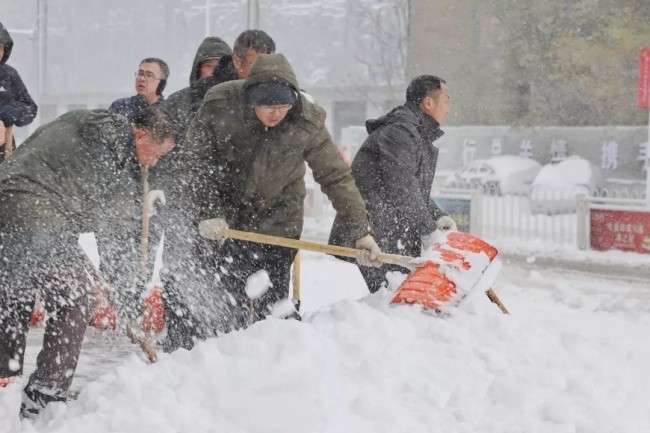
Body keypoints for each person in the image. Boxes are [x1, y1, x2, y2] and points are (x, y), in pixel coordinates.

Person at [161, 53, 381, 352]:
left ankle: (274, 369)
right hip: (228, 221)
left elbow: (336, 177)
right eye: (268, 107)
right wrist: (209, 211)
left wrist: (360, 231)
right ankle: (227, 367)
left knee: (273, 307)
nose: (276, 114)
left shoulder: (307, 121)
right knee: (230, 302)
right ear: (251, 100)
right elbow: (194, 162)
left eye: (283, 106)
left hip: (280, 220)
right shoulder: (220, 104)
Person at [0, 107, 175, 419]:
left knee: (14, 297)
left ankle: (4, 380)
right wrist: (125, 297)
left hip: (6, 198)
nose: (154, 162)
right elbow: (111, 234)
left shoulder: (82, 118)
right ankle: (44, 396)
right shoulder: (113, 161)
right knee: (73, 301)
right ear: (140, 135)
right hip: (37, 214)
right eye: (156, 153)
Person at [329, 75, 457, 293]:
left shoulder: (413, 132)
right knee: (391, 300)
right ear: (428, 103)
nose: (449, 109)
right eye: (446, 101)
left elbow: (413, 188)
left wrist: (436, 215)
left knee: (396, 302)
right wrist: (428, 230)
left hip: (390, 230)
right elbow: (402, 186)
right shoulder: (400, 132)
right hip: (376, 233)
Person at [168, 29, 276, 142]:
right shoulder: (209, 95)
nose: (265, 70)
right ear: (237, 62)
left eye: (271, 64)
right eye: (258, 64)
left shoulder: (277, 95)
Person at [164, 36, 232, 141]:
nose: (214, 71)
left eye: (220, 66)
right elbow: (165, 141)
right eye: (209, 65)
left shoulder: (238, 98)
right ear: (198, 69)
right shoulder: (177, 101)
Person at [0, 22, 38, 163]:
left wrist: (15, 111)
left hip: (4, 155)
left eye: (0, 48)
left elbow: (29, 107)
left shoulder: (8, 75)